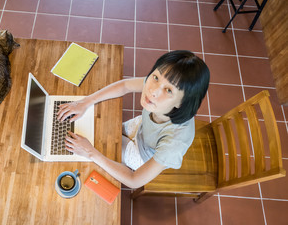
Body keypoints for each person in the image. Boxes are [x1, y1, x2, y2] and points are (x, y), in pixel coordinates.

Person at [57, 50, 210, 189]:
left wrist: (91, 153)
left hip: (144, 154)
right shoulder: (155, 87)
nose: (153, 90)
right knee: (103, 132)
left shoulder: (173, 144)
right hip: (141, 127)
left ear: (182, 102)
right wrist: (85, 102)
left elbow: (134, 180)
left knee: (101, 145)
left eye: (169, 90)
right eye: (156, 77)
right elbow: (125, 85)